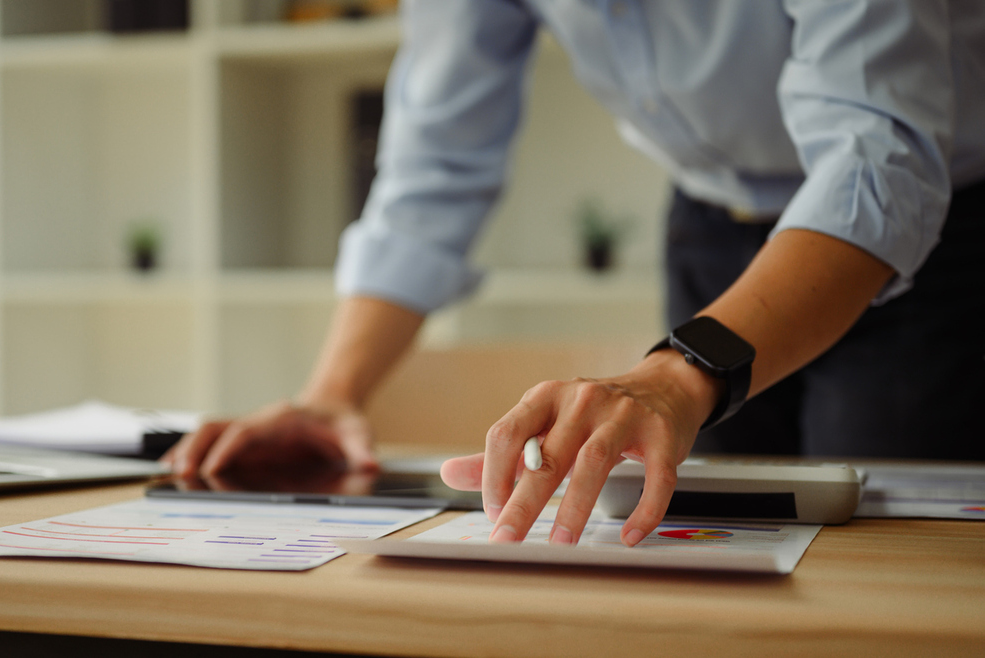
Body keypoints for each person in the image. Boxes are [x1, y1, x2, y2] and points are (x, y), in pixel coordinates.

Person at [163, 1, 985, 548]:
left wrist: (684, 369)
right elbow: (434, 162)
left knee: (886, 561)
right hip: (710, 222)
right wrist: (332, 392)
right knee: (712, 558)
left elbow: (877, 160)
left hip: (935, 218)